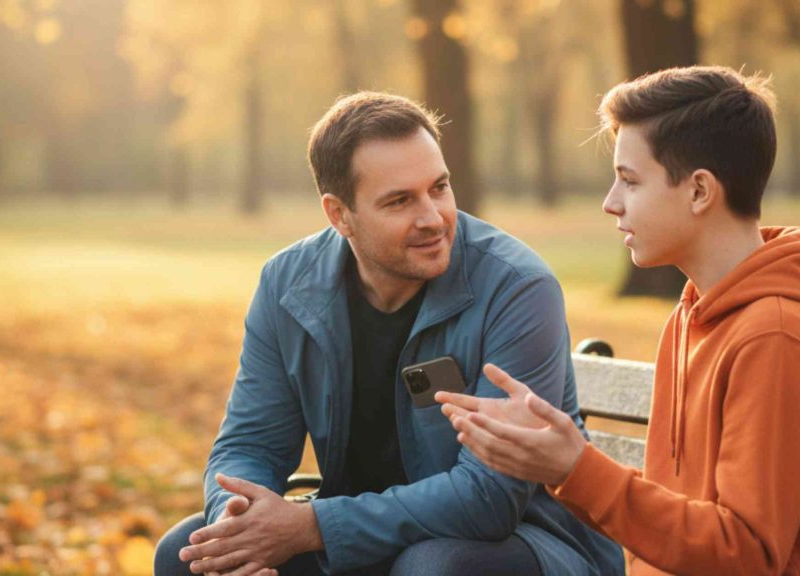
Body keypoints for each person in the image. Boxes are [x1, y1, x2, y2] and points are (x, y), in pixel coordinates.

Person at [153, 91, 624, 576]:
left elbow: (490, 497)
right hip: (365, 538)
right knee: (188, 555)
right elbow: (249, 444)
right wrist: (239, 526)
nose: (433, 218)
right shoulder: (288, 286)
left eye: (439, 188)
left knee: (434, 567)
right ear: (339, 215)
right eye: (400, 201)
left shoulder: (517, 288)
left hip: (530, 542)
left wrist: (312, 524)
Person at [438, 66, 800, 575]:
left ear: (699, 192)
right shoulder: (694, 314)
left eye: (629, 180)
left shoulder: (777, 337)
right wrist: (560, 462)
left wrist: (575, 467)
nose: (611, 202)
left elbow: (747, 554)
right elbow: (679, 517)